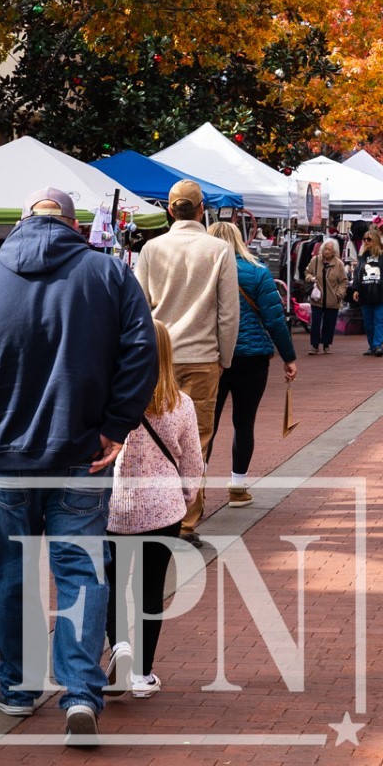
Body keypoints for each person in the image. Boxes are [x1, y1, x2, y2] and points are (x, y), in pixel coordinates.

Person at [0, 186, 156, 744]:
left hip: (7, 452)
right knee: (81, 570)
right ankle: (80, 691)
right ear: (75, 226)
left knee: (14, 569)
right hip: (81, 451)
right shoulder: (109, 274)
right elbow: (141, 350)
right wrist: (116, 424)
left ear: (20, 221)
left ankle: (19, 685)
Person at [105, 320, 205, 699]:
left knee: (112, 584)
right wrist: (185, 496)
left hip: (115, 507)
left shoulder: (111, 400)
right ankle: (142, 675)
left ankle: (119, 647)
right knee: (150, 590)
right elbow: (193, 462)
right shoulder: (181, 405)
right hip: (163, 510)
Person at [133, 179, 237, 539]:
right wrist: (224, 357)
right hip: (203, 356)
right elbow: (228, 313)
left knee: (153, 436)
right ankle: (187, 522)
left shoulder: (151, 249)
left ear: (169, 210)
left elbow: (139, 308)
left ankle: (157, 512)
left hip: (158, 356)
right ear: (201, 209)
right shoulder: (219, 249)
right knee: (197, 440)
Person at [207, 221, 298, 505]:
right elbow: (274, 319)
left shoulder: (202, 269)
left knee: (204, 424)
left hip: (211, 356)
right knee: (244, 422)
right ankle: (238, 486)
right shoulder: (258, 271)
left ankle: (195, 491)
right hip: (252, 356)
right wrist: (288, 357)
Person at [349, 229, 383, 357]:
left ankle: (378, 345)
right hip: (365, 293)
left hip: (381, 292)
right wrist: (355, 289)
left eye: (369, 239)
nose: (366, 242)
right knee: (368, 323)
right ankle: (372, 346)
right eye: (364, 239)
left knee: (380, 320)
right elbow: (358, 273)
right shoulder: (363, 256)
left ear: (375, 240)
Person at [305, 239, 347, 355]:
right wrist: (310, 278)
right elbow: (307, 272)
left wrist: (339, 295)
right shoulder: (315, 260)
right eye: (325, 249)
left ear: (334, 252)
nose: (326, 251)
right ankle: (314, 345)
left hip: (332, 299)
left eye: (329, 250)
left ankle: (326, 344)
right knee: (316, 322)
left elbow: (343, 281)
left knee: (329, 323)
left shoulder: (338, 264)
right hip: (317, 298)